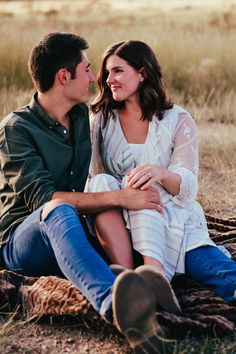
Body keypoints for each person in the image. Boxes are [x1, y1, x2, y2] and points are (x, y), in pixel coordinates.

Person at [0, 32, 167, 353]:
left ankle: (141, 275)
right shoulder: (15, 130)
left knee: (103, 198)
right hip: (23, 241)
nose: (96, 77)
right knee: (60, 209)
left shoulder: (81, 117)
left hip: (72, 230)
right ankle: (117, 308)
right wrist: (121, 198)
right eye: (88, 70)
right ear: (64, 77)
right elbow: (46, 201)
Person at [87, 40, 236, 310]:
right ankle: (130, 278)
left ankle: (153, 278)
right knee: (107, 183)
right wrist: (127, 195)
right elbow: (94, 182)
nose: (110, 80)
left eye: (118, 71)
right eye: (107, 73)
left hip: (172, 217)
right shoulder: (101, 120)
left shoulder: (177, 120)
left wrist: (159, 172)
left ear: (142, 73)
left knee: (220, 272)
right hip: (119, 226)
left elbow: (187, 188)